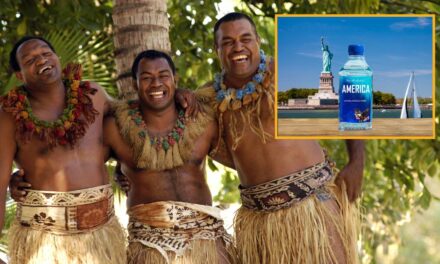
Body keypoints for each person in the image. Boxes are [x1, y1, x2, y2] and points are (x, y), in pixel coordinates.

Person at [1, 37, 197, 264]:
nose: (41, 60)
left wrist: (175, 93)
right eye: (30, 59)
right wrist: (11, 181)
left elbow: (134, 121)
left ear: (57, 57)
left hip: (101, 237)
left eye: (46, 53)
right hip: (44, 242)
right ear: (19, 75)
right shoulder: (9, 116)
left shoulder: (93, 95)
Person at [196, 12, 364, 264]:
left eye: (245, 38)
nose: (238, 47)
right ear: (216, 48)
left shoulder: (287, 73)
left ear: (258, 41)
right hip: (261, 225)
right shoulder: (207, 100)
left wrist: (357, 162)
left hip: (314, 209)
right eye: (228, 42)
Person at [103, 50, 233, 263]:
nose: (156, 84)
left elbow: (241, 157)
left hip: (206, 243)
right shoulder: (116, 128)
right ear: (135, 84)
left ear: (175, 79)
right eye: (146, 78)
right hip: (149, 246)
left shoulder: (202, 120)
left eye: (163, 75)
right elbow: (81, 161)